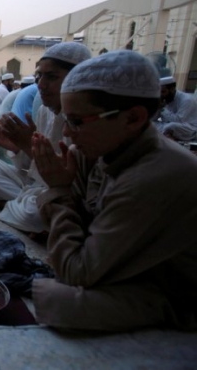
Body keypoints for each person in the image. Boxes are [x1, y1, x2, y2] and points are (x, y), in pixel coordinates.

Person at [31, 50, 197, 331]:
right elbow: (81, 227)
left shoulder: (156, 174)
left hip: (167, 291)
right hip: (117, 267)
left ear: (132, 118)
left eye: (77, 122)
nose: (68, 134)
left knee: (59, 299)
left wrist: (58, 190)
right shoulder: (93, 151)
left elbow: (75, 271)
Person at [0, 42, 92, 234]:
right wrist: (17, 148)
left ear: (77, 79)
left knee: (33, 214)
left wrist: (27, 147)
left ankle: (0, 202)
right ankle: (25, 205)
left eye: (52, 77)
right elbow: (27, 168)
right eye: (39, 76)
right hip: (36, 185)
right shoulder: (43, 111)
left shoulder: (87, 120)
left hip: (62, 191)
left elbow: (69, 182)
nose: (40, 84)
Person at [153, 76, 197, 142]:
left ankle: (167, 137)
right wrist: (157, 108)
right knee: (151, 124)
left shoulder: (187, 100)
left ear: (172, 89)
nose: (161, 95)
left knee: (171, 126)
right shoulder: (164, 98)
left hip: (188, 127)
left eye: (163, 92)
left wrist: (163, 108)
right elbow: (154, 119)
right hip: (166, 124)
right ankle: (168, 136)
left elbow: (178, 120)